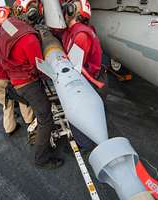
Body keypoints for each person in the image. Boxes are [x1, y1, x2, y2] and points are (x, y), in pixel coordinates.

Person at [0, 0, 64, 168]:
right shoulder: (29, 39)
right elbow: (39, 66)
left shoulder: (9, 24)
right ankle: (41, 159)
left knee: (42, 112)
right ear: (33, 13)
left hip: (14, 77)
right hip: (27, 83)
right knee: (45, 117)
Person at [61, 0, 108, 150]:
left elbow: (76, 66)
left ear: (70, 11)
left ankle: (87, 146)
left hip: (93, 81)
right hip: (93, 78)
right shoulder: (75, 30)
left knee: (81, 115)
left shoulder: (81, 34)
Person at [0, 8, 35, 136]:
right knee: (22, 97)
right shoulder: (6, 35)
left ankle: (10, 128)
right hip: (0, 77)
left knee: (6, 103)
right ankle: (30, 121)